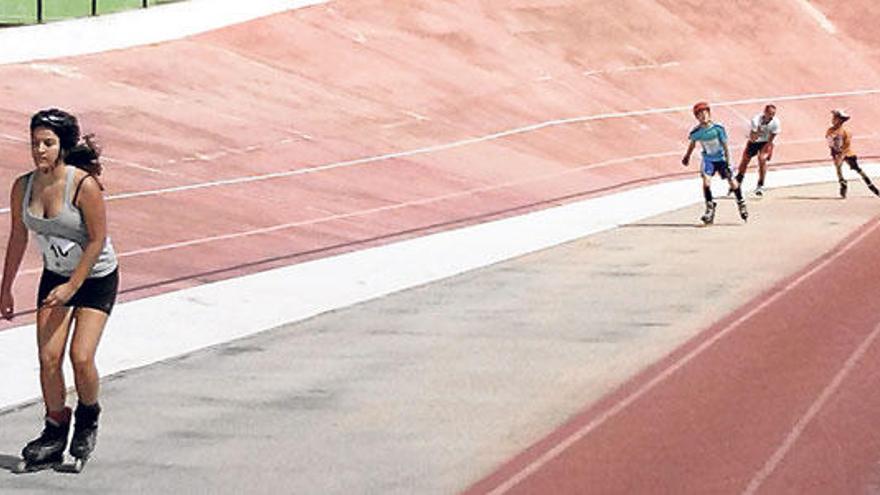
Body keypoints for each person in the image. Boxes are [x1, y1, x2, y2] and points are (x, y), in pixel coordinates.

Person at [1, 108, 119, 471]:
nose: (40, 151)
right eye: (35, 143)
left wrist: (74, 285)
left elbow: (97, 241)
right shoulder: (23, 186)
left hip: (95, 277)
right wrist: (5, 288)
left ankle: (88, 419)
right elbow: (18, 237)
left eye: (48, 143)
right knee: (48, 359)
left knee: (80, 357)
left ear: (63, 146)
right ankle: (54, 430)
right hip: (56, 277)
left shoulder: (83, 185)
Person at [682, 102, 748, 225]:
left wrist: (728, 164)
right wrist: (687, 156)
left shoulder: (718, 129)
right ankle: (709, 208)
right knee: (706, 182)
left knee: (733, 183)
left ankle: (741, 203)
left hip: (721, 160)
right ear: (697, 117)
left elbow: (726, 147)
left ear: (709, 114)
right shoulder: (696, 132)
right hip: (708, 160)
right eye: (700, 114)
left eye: (705, 113)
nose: (703, 116)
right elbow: (692, 143)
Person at [826, 109, 880, 199]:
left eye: (835, 118)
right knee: (839, 169)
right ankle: (843, 183)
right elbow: (831, 144)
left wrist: (839, 155)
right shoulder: (831, 131)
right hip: (838, 154)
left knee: (856, 169)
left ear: (840, 120)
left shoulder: (842, 132)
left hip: (845, 153)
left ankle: (870, 185)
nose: (833, 119)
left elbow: (842, 146)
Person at [734, 104, 780, 197]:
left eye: (773, 114)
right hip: (754, 141)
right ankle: (738, 180)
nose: (771, 116)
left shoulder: (776, 122)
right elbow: (753, 137)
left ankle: (760, 184)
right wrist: (758, 132)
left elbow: (772, 136)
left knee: (762, 159)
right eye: (770, 114)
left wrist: (768, 148)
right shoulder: (755, 120)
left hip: (766, 141)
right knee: (745, 160)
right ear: (765, 112)